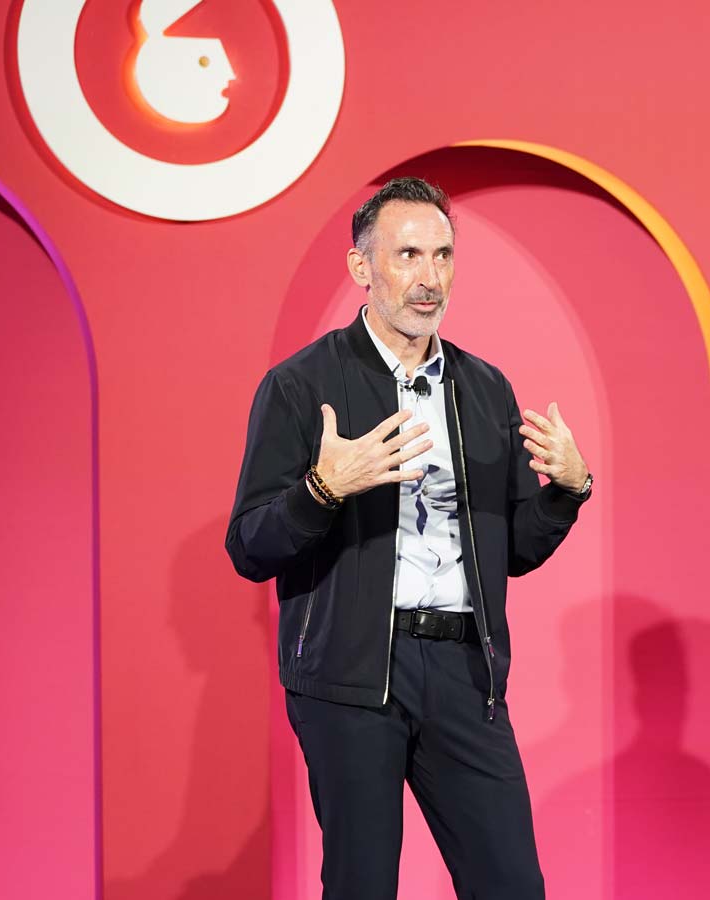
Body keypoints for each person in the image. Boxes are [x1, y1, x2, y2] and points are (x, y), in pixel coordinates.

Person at [226, 177, 593, 899]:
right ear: (363, 268)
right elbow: (248, 548)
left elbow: (513, 550)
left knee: (512, 885)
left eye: (443, 255)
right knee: (362, 886)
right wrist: (322, 489)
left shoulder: (484, 388)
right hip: (351, 679)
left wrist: (568, 492)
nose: (430, 279)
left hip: (464, 673)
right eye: (408, 255)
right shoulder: (303, 387)